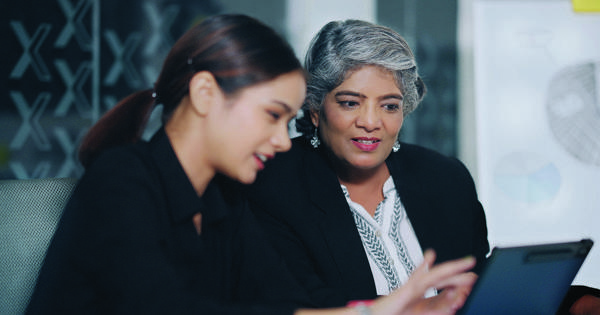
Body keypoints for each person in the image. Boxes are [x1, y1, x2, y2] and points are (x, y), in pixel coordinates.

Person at [25, 14, 478, 315]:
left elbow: (287, 306)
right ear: (205, 95)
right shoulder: (122, 179)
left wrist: (389, 309)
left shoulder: (224, 204)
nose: (284, 140)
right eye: (272, 115)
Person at [245, 19, 600, 315]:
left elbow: (475, 292)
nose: (371, 122)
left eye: (389, 106)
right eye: (351, 102)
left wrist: (573, 303)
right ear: (315, 108)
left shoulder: (444, 178)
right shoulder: (270, 182)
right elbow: (291, 306)